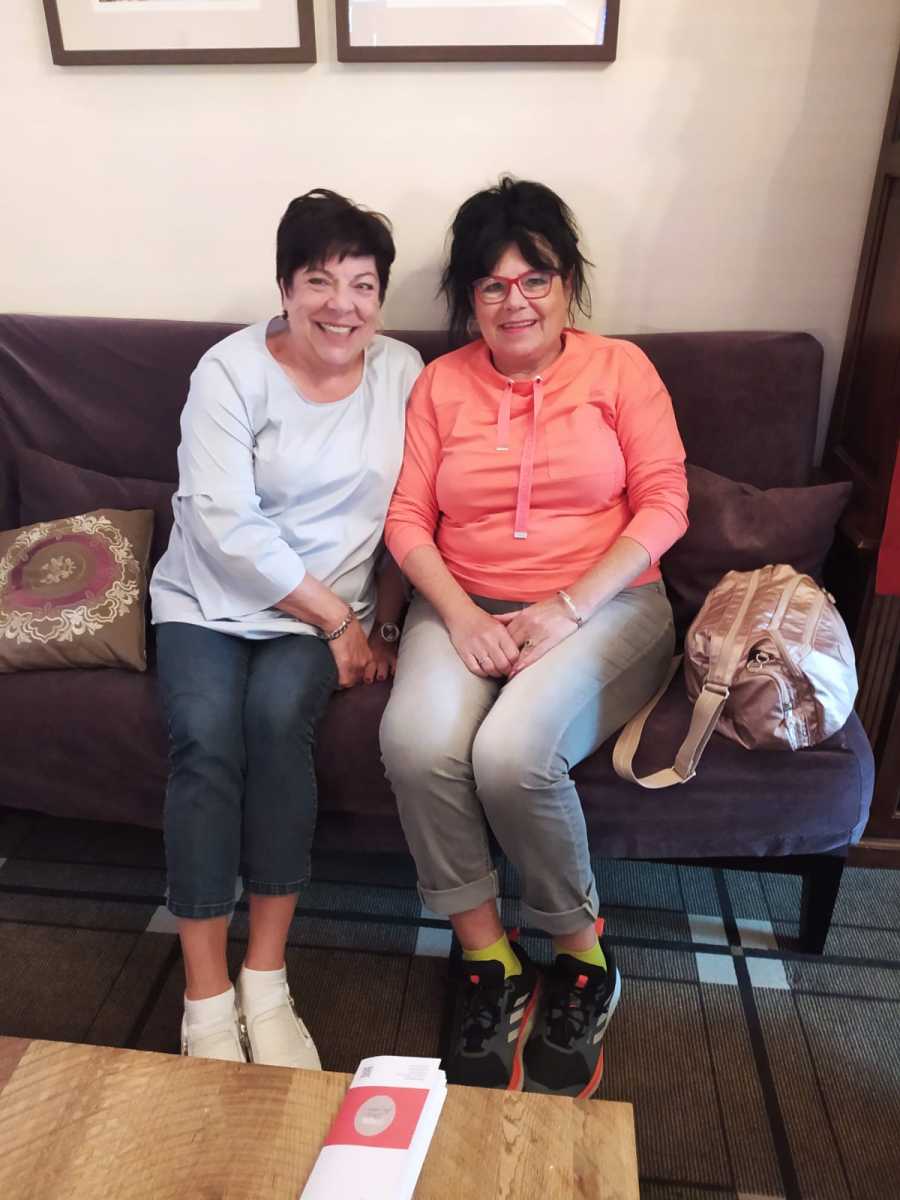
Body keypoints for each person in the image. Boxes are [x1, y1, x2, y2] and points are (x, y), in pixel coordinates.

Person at [379, 177, 688, 1098]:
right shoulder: (440, 384)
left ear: (568, 284)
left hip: (609, 605)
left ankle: (583, 956)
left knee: (512, 754)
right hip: (462, 601)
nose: (515, 302)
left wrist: (569, 605)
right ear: (469, 298)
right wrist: (462, 615)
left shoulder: (622, 370)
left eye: (535, 279)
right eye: (492, 285)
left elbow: (666, 503)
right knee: (416, 741)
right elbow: (407, 519)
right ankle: (490, 957)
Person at [150, 189, 422, 1067]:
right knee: (204, 735)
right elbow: (222, 524)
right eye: (319, 281)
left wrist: (382, 622)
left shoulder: (403, 372)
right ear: (284, 288)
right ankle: (204, 998)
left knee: (275, 724)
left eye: (363, 285)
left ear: (380, 298)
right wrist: (340, 621)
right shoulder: (228, 372)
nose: (342, 305)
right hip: (209, 598)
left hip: (325, 615)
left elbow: (413, 508)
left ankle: (265, 979)